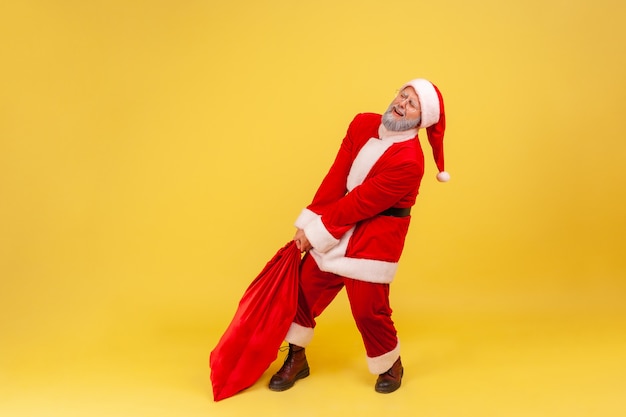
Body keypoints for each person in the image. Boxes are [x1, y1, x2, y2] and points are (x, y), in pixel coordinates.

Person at [268, 78, 449, 394]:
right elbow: (337, 175)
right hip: (337, 218)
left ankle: (390, 364)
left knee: (369, 311)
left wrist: (315, 233)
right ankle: (296, 359)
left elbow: (361, 202)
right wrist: (309, 219)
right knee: (301, 293)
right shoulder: (362, 123)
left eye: (411, 104)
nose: (401, 104)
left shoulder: (409, 161)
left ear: (421, 120)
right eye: (402, 95)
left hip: (375, 236)